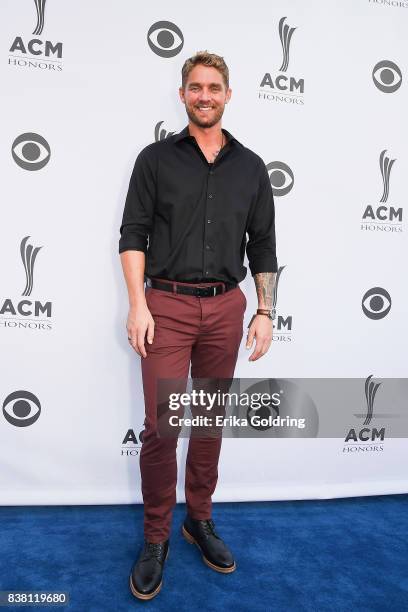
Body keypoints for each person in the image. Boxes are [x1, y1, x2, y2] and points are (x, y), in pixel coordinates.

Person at [119, 50, 277, 600]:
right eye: (195, 87)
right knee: (163, 428)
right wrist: (138, 305)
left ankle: (199, 520)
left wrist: (264, 310)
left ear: (228, 94)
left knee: (208, 422)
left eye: (214, 87)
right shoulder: (155, 159)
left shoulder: (252, 167)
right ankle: (156, 536)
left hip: (226, 309)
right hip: (165, 306)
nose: (204, 95)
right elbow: (132, 234)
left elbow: (263, 246)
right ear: (182, 94)